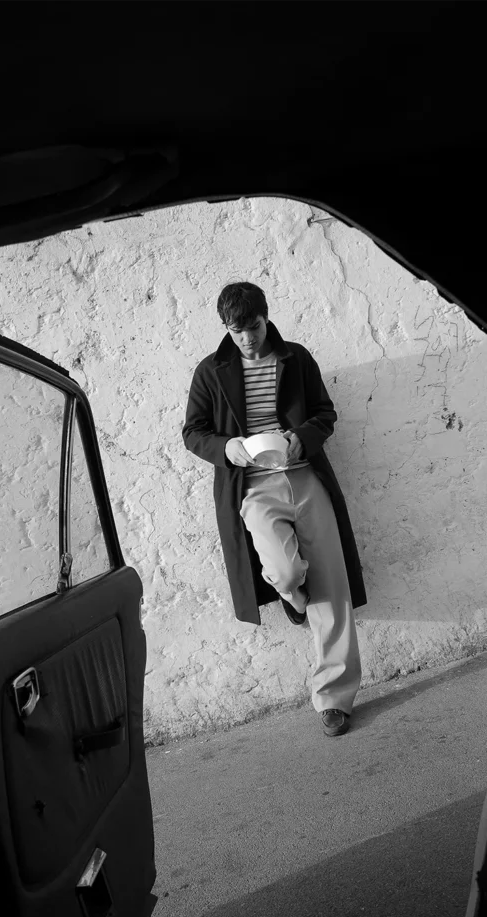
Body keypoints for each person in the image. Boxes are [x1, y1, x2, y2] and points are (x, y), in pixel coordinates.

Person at [182, 282, 367, 737]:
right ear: (226, 329)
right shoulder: (211, 371)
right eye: (236, 330)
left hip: (305, 476)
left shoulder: (296, 358)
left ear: (267, 317)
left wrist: (299, 437)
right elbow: (193, 432)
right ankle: (294, 599)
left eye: (254, 327)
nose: (247, 338)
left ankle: (334, 698)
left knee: (333, 587)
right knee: (285, 573)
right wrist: (229, 448)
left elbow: (325, 412)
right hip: (253, 488)